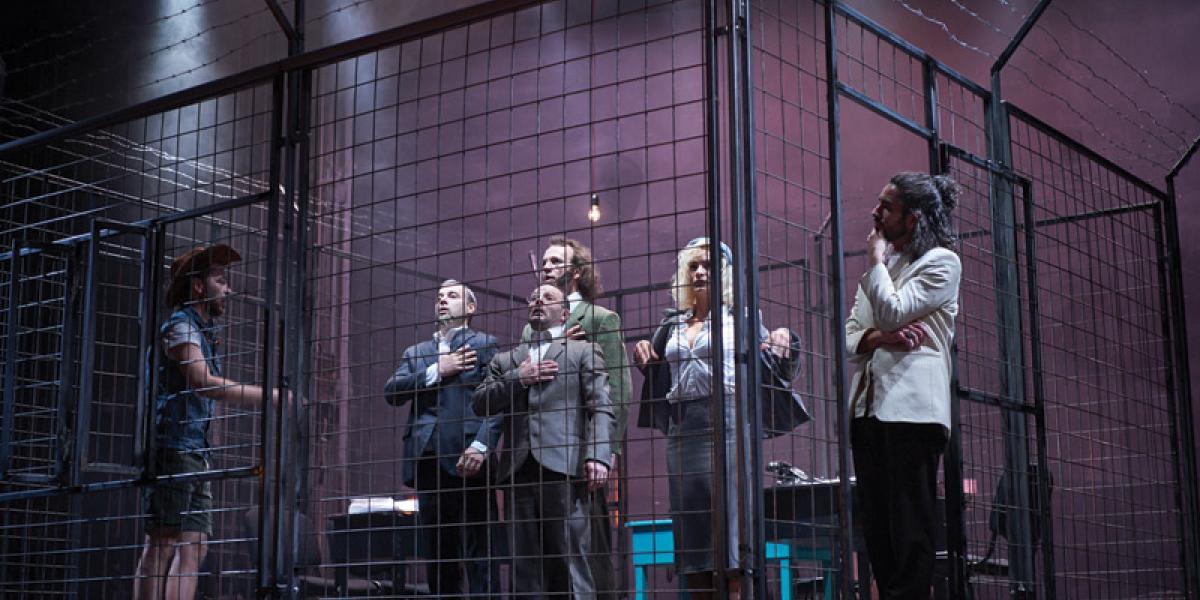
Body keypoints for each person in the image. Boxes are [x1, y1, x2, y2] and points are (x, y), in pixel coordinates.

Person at [631, 237, 793, 599]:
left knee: (731, 538)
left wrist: (785, 338)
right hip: (683, 431)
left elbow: (777, 362)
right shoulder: (672, 324)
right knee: (694, 541)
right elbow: (657, 368)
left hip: (729, 425)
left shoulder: (743, 319)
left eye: (709, 265)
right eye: (694, 265)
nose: (700, 272)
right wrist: (643, 353)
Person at [135, 244, 284, 600]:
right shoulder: (180, 327)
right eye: (220, 280)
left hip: (196, 452)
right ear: (199, 286)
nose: (228, 288)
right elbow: (203, 383)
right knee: (162, 544)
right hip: (174, 449)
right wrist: (271, 396)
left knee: (195, 547)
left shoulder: (203, 331)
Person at [845, 172, 962, 599]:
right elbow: (850, 337)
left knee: (911, 531)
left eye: (887, 207)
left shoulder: (941, 262)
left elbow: (894, 312)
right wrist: (879, 338)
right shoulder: (888, 268)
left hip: (912, 413)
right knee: (878, 534)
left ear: (913, 218)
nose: (875, 213)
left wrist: (875, 262)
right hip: (868, 410)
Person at [473, 284, 614, 599]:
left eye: (548, 297)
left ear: (564, 314)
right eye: (534, 296)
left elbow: (601, 407)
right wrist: (519, 378)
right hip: (518, 471)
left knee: (570, 562)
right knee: (524, 570)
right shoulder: (507, 360)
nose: (538, 299)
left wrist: (598, 455)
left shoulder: (582, 351)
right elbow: (480, 403)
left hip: (564, 467)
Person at [523, 236, 630, 598]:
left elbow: (618, 390)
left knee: (587, 547)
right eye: (545, 261)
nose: (547, 266)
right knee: (544, 551)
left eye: (556, 261)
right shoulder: (531, 327)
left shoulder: (600, 319)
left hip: (582, 449)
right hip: (539, 450)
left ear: (577, 272)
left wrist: (604, 450)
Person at [383, 279, 502, 597]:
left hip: (469, 458)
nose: (443, 300)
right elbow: (391, 392)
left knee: (480, 550)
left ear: (471, 308)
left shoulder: (484, 344)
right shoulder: (416, 353)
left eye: (452, 296)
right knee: (438, 553)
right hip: (428, 460)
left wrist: (481, 445)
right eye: (439, 297)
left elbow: (498, 402)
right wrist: (438, 369)